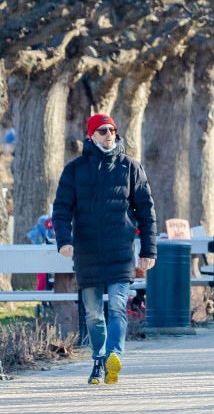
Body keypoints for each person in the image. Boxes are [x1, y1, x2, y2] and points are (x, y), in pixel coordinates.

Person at [52, 113, 156, 385]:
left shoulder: (131, 166)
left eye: (111, 130)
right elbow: (61, 209)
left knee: (119, 306)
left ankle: (114, 356)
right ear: (91, 136)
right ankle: (98, 360)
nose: (109, 134)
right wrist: (63, 241)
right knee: (94, 313)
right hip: (87, 253)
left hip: (120, 251)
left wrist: (148, 251)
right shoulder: (74, 170)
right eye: (102, 131)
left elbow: (146, 212)